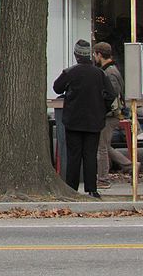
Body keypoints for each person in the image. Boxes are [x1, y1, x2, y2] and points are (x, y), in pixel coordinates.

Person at [53, 39, 115, 198]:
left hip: (73, 120)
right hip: (94, 120)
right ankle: (91, 188)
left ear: (76, 55)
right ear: (90, 56)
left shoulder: (70, 72)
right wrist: (102, 109)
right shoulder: (99, 73)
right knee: (90, 155)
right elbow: (111, 94)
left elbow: (57, 87)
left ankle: (72, 188)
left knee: (73, 155)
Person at [93, 42, 124, 189]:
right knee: (104, 145)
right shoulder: (110, 70)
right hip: (109, 114)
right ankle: (130, 165)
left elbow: (112, 94)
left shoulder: (109, 72)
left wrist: (101, 108)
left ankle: (103, 179)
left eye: (95, 54)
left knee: (102, 147)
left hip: (109, 114)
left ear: (99, 54)